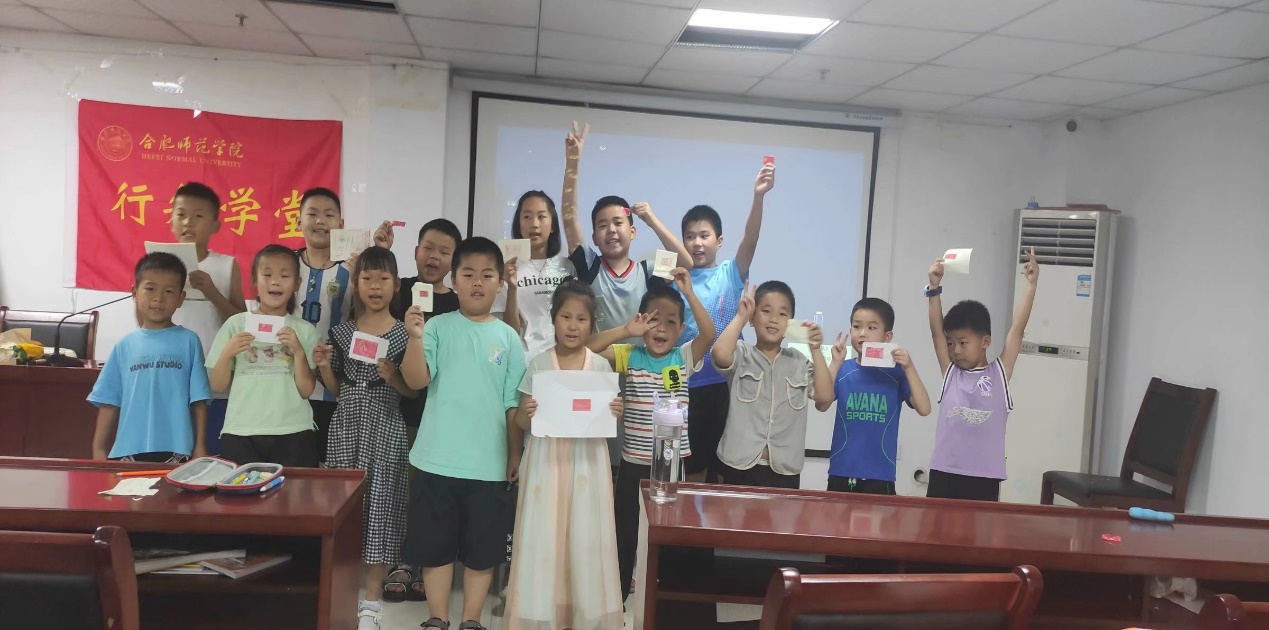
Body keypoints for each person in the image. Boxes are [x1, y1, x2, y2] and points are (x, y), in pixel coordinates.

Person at [399, 237, 527, 630]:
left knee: (481, 552)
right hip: (437, 459)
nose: (477, 282)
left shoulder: (509, 338)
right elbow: (416, 380)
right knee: (435, 549)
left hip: (488, 465)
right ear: (453, 281)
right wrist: (415, 338)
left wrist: (514, 454)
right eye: (468, 274)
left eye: (487, 275)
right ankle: (437, 618)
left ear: (500, 283)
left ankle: (471, 619)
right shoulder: (436, 327)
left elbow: (512, 405)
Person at [558, 121, 692, 472]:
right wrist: (573, 163)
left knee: (635, 459)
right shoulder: (589, 267)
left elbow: (687, 262)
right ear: (595, 236)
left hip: (641, 379)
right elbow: (569, 219)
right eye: (602, 225)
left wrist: (652, 220)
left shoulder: (649, 271)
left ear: (632, 231)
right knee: (598, 461)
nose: (611, 230)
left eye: (618, 223)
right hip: (599, 370)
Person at [587, 269, 715, 602]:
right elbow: (589, 349)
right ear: (642, 321)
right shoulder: (630, 355)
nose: (662, 328)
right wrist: (626, 331)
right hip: (632, 464)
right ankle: (617, 596)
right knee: (625, 531)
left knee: (666, 533)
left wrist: (689, 294)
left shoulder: (683, 357)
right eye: (654, 320)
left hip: (670, 466)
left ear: (681, 329)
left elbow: (709, 332)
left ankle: (662, 597)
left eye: (672, 322)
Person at [503, 280, 624, 630]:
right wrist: (526, 413)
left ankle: (582, 612)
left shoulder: (600, 367)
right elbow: (520, 420)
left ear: (592, 323)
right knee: (545, 533)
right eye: (566, 317)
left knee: (586, 533)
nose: (573, 326)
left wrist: (615, 410)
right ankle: (544, 610)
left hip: (587, 462)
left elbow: (607, 417)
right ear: (553, 318)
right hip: (546, 461)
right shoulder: (540, 364)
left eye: (581, 319)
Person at [314, 246, 421, 630]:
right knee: (343, 510)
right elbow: (337, 389)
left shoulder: (405, 334)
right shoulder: (343, 332)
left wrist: (394, 378)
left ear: (396, 285)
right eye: (367, 278)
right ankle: (341, 592)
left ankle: (371, 603)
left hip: (386, 427)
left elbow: (413, 392)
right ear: (356, 285)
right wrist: (325, 366)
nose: (375, 286)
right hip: (346, 427)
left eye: (383, 279)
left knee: (381, 509)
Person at [676, 163, 774, 482]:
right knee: (692, 470)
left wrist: (758, 197)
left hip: (727, 384)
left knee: (725, 470)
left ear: (719, 241)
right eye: (690, 237)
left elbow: (751, 240)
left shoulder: (731, 272)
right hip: (687, 386)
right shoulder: (677, 281)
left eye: (704, 236)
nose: (697, 243)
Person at [925, 247, 1040, 501]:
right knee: (937, 528)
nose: (955, 350)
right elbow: (936, 332)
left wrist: (1031, 286)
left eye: (963, 343)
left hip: (984, 477)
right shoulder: (951, 373)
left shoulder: (999, 373)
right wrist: (934, 288)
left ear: (985, 341)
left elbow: (1017, 329)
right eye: (951, 343)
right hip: (944, 473)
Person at [292, 186, 393, 464]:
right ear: (298, 221)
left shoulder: (352, 268)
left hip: (334, 390)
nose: (320, 221)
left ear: (341, 224)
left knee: (328, 471)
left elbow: (367, 317)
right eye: (312, 214)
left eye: (329, 215)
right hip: (287, 387)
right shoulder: (285, 265)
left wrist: (374, 259)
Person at [89, 252, 212, 463]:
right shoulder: (124, 346)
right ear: (134, 293)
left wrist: (200, 445)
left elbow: (198, 400)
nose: (158, 298)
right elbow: (109, 401)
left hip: (176, 449)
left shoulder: (189, 341)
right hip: (129, 449)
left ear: (181, 298)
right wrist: (98, 448)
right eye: (150, 288)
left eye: (169, 291)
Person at [207, 245, 321, 468]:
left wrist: (298, 351)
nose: (275, 282)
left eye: (285, 276)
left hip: (293, 430)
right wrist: (228, 352)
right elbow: (218, 385)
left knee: (293, 491)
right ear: (254, 280)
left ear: (297, 284)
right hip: (241, 430)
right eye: (267, 275)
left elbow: (306, 390)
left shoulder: (304, 330)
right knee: (243, 491)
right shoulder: (235, 324)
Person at [712, 281, 834, 489]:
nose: (773, 319)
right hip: (738, 464)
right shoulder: (742, 353)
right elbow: (720, 354)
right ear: (753, 318)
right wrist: (741, 317)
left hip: (784, 469)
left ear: (791, 323)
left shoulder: (798, 361)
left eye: (782, 314)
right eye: (766, 311)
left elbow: (825, 397)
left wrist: (815, 349)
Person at [817, 297, 933, 495]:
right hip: (842, 471)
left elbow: (925, 408)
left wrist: (909, 367)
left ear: (887, 336)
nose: (862, 333)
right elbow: (821, 404)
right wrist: (835, 363)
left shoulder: (896, 373)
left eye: (871, 328)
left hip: (880, 475)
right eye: (857, 326)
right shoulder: (843, 369)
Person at [167, 182, 247, 455]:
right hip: (170, 375)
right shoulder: (158, 264)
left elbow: (241, 322)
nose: (188, 222)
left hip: (215, 380)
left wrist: (212, 292)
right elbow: (144, 319)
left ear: (215, 225)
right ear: (171, 220)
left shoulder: (227, 265)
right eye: (181, 214)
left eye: (198, 216)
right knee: (171, 454)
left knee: (211, 454)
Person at [501, 190, 577, 361]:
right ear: (518, 224)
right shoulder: (509, 269)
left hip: (563, 360)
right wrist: (512, 287)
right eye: (527, 217)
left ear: (553, 225)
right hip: (525, 360)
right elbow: (510, 331)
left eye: (541, 217)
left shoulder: (567, 267)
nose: (534, 224)